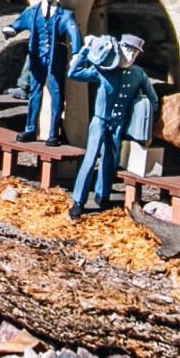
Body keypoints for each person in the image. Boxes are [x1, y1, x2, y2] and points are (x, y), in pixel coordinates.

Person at [66, 32, 159, 218]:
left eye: (136, 53)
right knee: (90, 159)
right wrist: (85, 50)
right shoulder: (103, 69)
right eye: (128, 50)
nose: (131, 56)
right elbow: (73, 72)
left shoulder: (138, 73)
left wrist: (142, 117)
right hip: (100, 121)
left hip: (118, 124)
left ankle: (103, 196)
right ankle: (78, 200)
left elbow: (152, 99)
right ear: (119, 49)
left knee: (110, 161)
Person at [3, 0, 83, 143]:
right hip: (37, 59)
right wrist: (10, 30)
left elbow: (74, 33)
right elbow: (17, 24)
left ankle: (54, 133)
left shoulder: (65, 15)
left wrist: (77, 53)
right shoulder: (32, 12)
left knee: (56, 95)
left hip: (56, 61)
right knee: (34, 93)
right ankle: (30, 129)